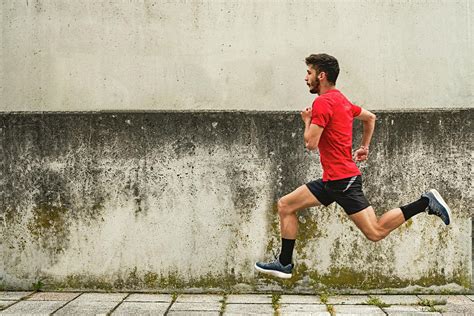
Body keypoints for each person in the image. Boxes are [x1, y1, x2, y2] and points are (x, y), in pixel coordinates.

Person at [254, 53, 451, 279]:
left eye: (309, 73)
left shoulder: (323, 102)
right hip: (332, 180)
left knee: (375, 232)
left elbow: (310, 143)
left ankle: (425, 202)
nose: (305, 78)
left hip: (342, 182)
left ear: (322, 75)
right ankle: (285, 263)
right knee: (286, 205)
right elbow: (370, 118)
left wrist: (306, 120)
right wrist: (364, 147)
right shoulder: (342, 100)